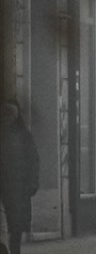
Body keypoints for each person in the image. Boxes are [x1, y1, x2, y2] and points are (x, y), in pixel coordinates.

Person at [1, 100, 39, 254]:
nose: (9, 117)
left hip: (18, 189)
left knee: (15, 228)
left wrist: (32, 182)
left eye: (12, 114)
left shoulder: (23, 136)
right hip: (5, 187)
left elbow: (33, 160)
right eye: (6, 113)